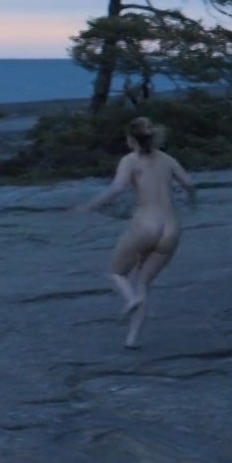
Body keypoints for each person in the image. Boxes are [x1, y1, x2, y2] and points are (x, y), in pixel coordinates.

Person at [72, 116, 196, 349]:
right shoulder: (168, 159)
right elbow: (189, 183)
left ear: (131, 139)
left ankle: (130, 299)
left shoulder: (130, 160)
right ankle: (131, 339)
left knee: (116, 273)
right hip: (171, 228)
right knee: (143, 284)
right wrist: (192, 202)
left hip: (146, 224)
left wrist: (89, 206)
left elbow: (117, 188)